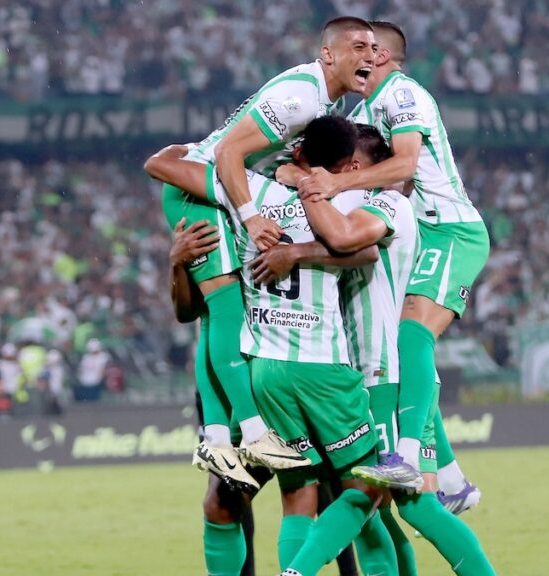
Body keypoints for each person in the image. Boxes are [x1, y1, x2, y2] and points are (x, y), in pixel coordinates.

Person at [143, 16, 378, 480]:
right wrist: (252, 218)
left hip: (216, 188)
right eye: (359, 46)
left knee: (214, 316)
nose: (370, 56)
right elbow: (229, 152)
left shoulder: (323, 99)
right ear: (328, 53)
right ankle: (251, 432)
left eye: (374, 48)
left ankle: (215, 437)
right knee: (226, 307)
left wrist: (284, 175)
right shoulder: (302, 98)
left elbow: (250, 153)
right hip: (203, 192)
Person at [157, 116, 391, 576]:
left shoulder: (248, 198)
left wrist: (232, 152)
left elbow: (164, 164)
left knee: (302, 493)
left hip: (260, 378)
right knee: (357, 490)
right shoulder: (339, 204)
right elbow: (189, 311)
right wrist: (177, 265)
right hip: (293, 374)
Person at [279, 124, 495, 575]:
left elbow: (342, 238)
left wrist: (303, 196)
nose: (328, 172)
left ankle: (294, 572)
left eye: (336, 164)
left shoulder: (387, 202)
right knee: (409, 506)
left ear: (355, 167)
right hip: (382, 372)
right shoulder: (352, 201)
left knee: (369, 494)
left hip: (386, 373)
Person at [296, 20, 489, 506]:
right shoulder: (369, 107)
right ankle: (450, 477)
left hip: (450, 230)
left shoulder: (402, 96)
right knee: (408, 350)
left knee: (411, 337)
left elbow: (404, 166)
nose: (359, 58)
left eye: (366, 49)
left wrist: (337, 186)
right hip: (422, 234)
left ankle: (406, 455)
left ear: (382, 56)